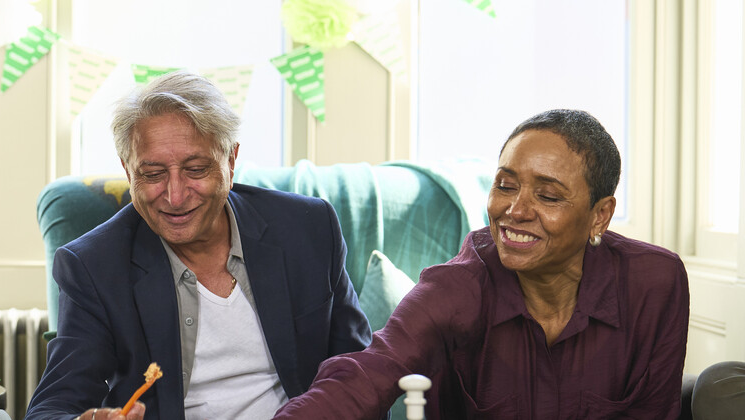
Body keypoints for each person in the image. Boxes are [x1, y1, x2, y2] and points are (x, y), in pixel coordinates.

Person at [273, 109, 690, 419]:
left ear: (600, 215)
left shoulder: (655, 283)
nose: (514, 210)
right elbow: (367, 374)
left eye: (547, 196)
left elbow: (656, 409)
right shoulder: (456, 287)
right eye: (505, 185)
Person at [25, 72, 373, 420]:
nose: (175, 197)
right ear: (129, 174)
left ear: (231, 161)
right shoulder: (92, 266)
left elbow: (361, 375)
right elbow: (51, 408)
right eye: (152, 174)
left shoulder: (308, 229)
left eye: (196, 169)